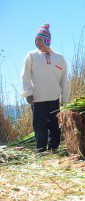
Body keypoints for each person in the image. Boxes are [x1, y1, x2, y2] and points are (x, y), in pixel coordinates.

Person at [21, 23, 70, 153]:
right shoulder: (32, 56)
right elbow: (25, 75)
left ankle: (54, 149)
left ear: (47, 40)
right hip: (37, 100)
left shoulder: (59, 58)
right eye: (36, 40)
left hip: (54, 99)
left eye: (40, 39)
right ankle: (41, 151)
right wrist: (28, 93)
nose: (37, 42)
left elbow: (64, 80)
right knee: (40, 127)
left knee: (55, 127)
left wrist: (65, 100)